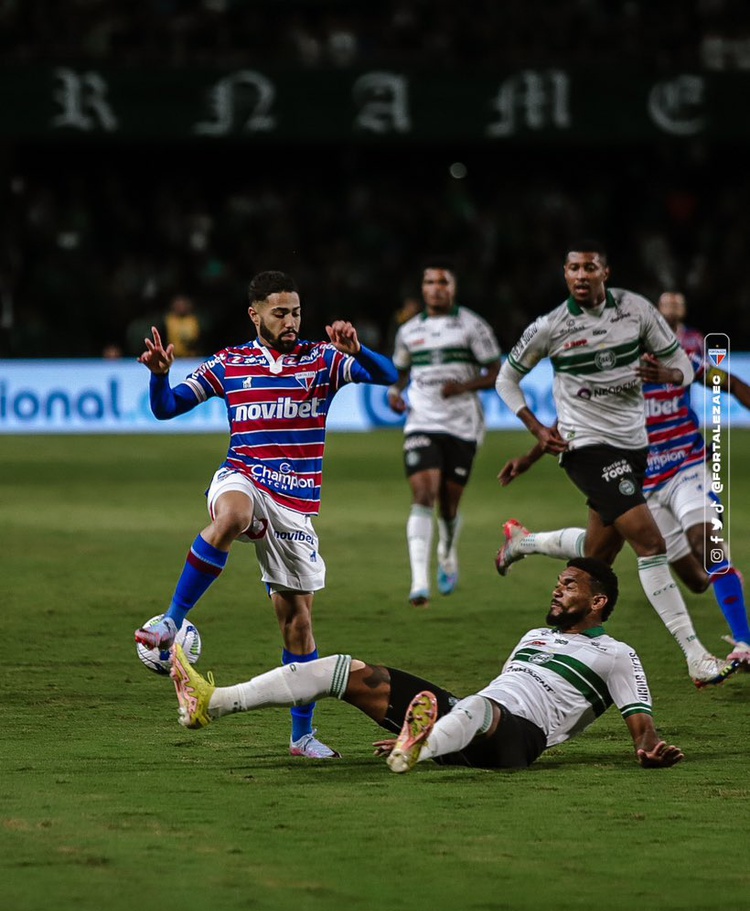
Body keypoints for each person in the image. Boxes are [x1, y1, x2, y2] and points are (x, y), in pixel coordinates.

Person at [135, 270, 398, 758]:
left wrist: (358, 350)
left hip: (295, 505)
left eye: (296, 312)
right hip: (242, 478)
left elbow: (388, 376)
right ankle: (171, 622)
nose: (291, 321)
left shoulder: (323, 360)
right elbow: (167, 408)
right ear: (255, 314)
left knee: (297, 624)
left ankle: (302, 737)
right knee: (233, 515)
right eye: (280, 313)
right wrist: (158, 376)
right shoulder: (230, 363)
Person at [169, 558, 684, 772]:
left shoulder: (617, 654)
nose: (558, 587)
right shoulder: (533, 636)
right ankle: (214, 703)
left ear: (598, 603)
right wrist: (447, 723)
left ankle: (418, 747)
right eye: (559, 582)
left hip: (521, 741)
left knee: (480, 708)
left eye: (570, 585)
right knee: (347, 669)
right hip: (473, 720)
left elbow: (642, 729)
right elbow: (499, 689)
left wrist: (650, 750)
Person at [494, 241, 736, 689]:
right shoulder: (550, 326)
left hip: (632, 448)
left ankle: (524, 544)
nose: (581, 275)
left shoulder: (636, 310)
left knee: (596, 556)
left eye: (589, 267)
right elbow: (506, 378)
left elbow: (680, 361)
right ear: (564, 274)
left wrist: (670, 376)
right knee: (650, 542)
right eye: (572, 268)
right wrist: (534, 429)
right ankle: (696, 656)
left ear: (605, 272)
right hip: (585, 448)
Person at [387, 261, 501, 606]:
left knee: (449, 505)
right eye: (429, 281)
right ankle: (419, 582)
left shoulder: (471, 325)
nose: (436, 287)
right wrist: (395, 393)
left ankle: (447, 551)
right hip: (422, 420)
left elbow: (496, 371)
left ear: (453, 288)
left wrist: (464, 385)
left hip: (463, 424)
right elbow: (402, 373)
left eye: (442, 282)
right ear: (423, 289)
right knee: (423, 494)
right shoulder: (409, 331)